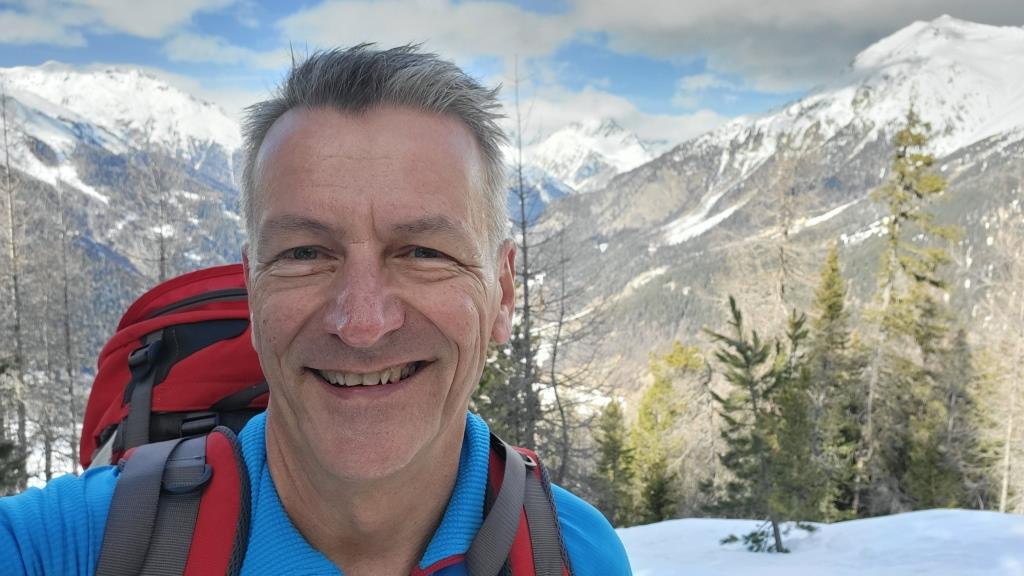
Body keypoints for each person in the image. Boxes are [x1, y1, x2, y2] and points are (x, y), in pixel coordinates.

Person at [0, 44, 632, 575]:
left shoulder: (574, 555)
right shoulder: (68, 544)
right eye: (304, 253)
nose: (362, 324)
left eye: (423, 252)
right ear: (253, 290)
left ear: (503, 292)